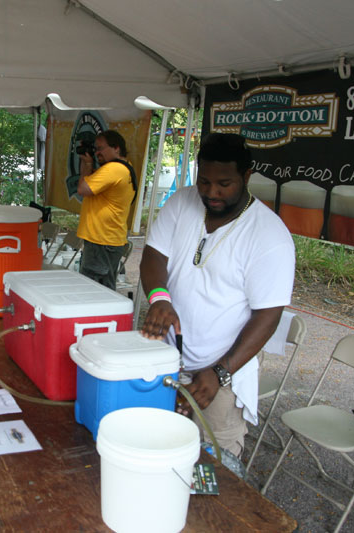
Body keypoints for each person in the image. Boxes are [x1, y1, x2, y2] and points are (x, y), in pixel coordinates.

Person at [139, 133, 295, 458]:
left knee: (215, 462)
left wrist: (221, 372)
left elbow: (268, 316)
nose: (212, 192)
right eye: (205, 181)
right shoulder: (182, 201)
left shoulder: (269, 236)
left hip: (222, 371)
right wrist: (159, 298)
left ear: (247, 176)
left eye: (224, 183)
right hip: (167, 358)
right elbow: (153, 255)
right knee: (158, 443)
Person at [76, 130, 137, 290]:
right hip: (105, 240)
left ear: (116, 148)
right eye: (95, 149)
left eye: (101, 148)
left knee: (93, 291)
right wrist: (86, 163)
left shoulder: (113, 169)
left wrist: (88, 164)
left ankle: (100, 316)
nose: (97, 153)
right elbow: (88, 182)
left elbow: (83, 188)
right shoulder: (123, 168)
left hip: (101, 241)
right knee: (103, 290)